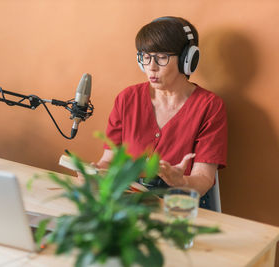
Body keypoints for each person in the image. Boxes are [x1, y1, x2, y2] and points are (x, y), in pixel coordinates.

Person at [95, 16, 227, 209]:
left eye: (162, 57)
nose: (151, 67)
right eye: (145, 57)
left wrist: (180, 181)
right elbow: (108, 161)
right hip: (129, 202)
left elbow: (203, 179)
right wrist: (94, 173)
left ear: (187, 59)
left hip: (180, 203)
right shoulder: (127, 98)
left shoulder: (210, 106)